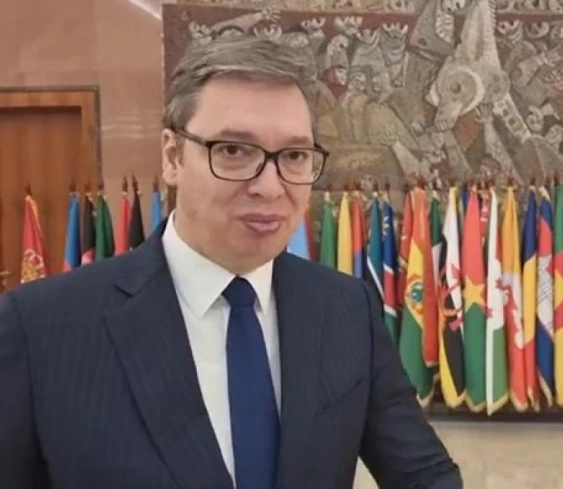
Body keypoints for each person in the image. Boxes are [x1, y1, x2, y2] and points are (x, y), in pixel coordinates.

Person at [0, 37, 461, 488]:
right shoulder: (41, 326)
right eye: (234, 151)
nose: (270, 187)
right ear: (173, 156)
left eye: (294, 156)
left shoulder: (346, 309)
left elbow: (425, 475)